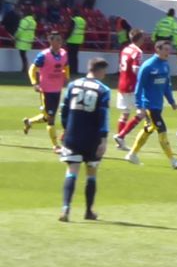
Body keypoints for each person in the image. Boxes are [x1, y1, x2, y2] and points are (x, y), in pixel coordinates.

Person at [58, 57, 111, 222]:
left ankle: (66, 209)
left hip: (73, 134)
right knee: (91, 173)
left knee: (72, 171)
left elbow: (64, 109)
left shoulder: (73, 85)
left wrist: (66, 128)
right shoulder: (103, 90)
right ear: (100, 70)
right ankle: (88, 211)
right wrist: (103, 139)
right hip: (92, 137)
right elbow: (103, 116)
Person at [124, 40, 177, 169]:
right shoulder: (148, 66)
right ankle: (173, 160)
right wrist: (139, 106)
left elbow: (166, 86)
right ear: (158, 49)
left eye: (169, 49)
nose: (169, 52)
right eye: (166, 49)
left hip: (158, 105)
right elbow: (139, 87)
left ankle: (132, 154)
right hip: (149, 106)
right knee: (162, 130)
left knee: (148, 130)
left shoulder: (166, 65)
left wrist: (172, 101)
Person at [22, 32, 70, 151]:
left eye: (60, 40)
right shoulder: (43, 55)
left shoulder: (64, 53)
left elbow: (66, 66)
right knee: (51, 117)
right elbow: (32, 69)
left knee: (47, 116)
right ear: (51, 41)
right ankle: (55, 145)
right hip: (46, 90)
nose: (60, 42)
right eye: (57, 40)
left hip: (57, 89)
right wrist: (34, 83)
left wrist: (66, 78)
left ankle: (29, 122)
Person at [113, 29, 145, 150]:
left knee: (125, 113)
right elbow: (136, 70)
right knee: (142, 113)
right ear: (140, 39)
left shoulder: (125, 49)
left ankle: (120, 143)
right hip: (132, 85)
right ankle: (121, 136)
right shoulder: (138, 52)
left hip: (122, 83)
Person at [65, 10, 85, 82]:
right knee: (75, 57)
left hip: (72, 40)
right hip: (79, 40)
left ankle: (70, 71)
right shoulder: (83, 21)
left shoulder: (74, 20)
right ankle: (75, 70)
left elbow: (70, 30)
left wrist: (65, 38)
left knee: (70, 57)